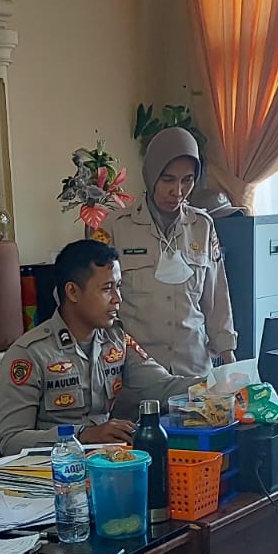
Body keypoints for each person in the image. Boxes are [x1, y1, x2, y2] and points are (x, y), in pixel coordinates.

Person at [0, 239, 199, 455]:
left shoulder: (115, 339)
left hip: (106, 462)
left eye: (118, 287)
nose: (117, 299)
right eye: (106, 289)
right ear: (72, 292)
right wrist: (81, 436)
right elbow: (11, 440)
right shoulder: (30, 353)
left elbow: (162, 386)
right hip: (53, 469)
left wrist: (216, 385)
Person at [99, 127, 238, 377]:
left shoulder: (202, 226)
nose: (178, 191)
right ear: (151, 176)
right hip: (137, 373)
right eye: (168, 180)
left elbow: (217, 296)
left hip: (193, 369)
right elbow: (98, 301)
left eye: (187, 180)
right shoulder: (116, 227)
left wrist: (228, 357)